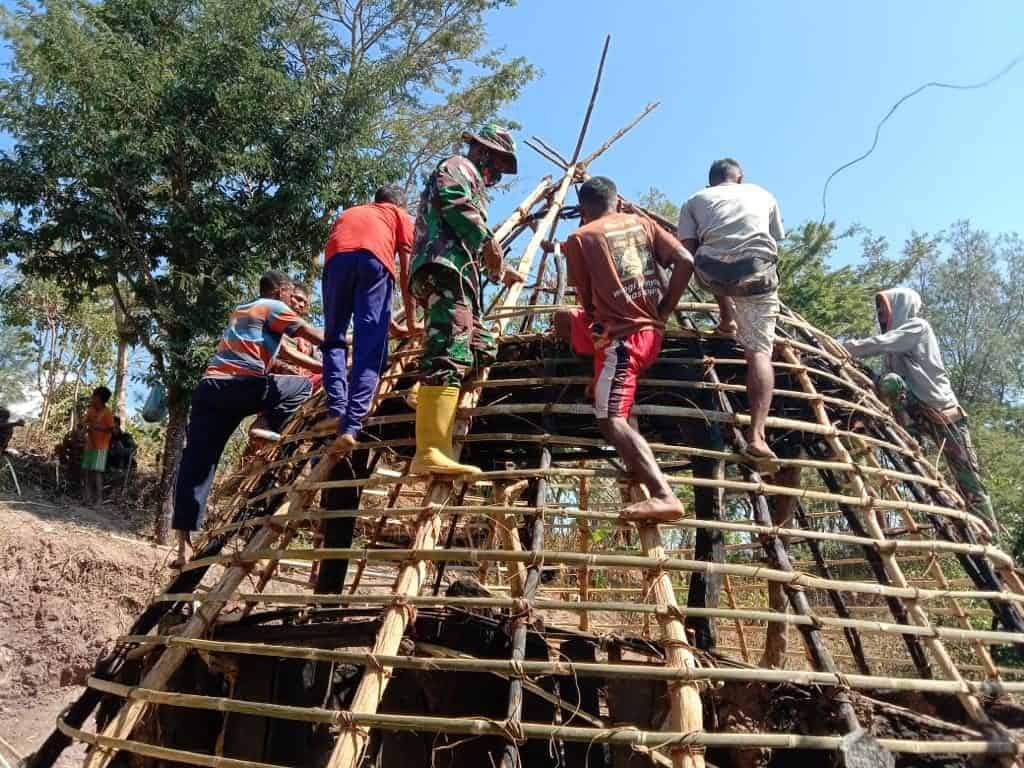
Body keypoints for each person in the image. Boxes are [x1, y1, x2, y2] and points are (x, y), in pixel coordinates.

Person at [548, 176, 694, 522]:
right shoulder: (644, 223)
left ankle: (663, 495)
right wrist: (664, 312)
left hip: (622, 342)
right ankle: (599, 378)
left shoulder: (580, 239)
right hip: (649, 332)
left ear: (583, 209)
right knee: (563, 320)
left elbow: (587, 302)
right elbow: (686, 259)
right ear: (616, 201)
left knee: (611, 420)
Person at [171, 270, 324, 567]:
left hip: (210, 389)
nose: (294, 302)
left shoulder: (244, 312)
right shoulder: (274, 308)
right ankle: (276, 428)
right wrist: (350, 343)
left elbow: (289, 357)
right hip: (243, 386)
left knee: (197, 465)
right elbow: (314, 335)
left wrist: (320, 363)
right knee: (302, 387)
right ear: (280, 292)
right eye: (292, 296)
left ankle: (183, 547)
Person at [408, 125, 523, 475]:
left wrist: (500, 271)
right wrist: (489, 242)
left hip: (459, 276)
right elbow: (456, 203)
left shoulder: (471, 176)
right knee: (448, 351)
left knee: (480, 345)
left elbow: (474, 245)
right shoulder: (459, 166)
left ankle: (421, 389)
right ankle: (430, 450)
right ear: (484, 153)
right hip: (444, 270)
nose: (496, 176)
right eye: (497, 167)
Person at [843, 288, 997, 531]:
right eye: (879, 309)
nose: (881, 314)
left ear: (900, 306)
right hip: (918, 413)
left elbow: (880, 343)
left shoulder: (917, 327)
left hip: (945, 416)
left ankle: (990, 536)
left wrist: (842, 347)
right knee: (886, 381)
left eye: (884, 307)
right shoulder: (893, 355)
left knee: (969, 482)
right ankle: (911, 437)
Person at [678, 158, 785, 463]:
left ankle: (727, 319)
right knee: (759, 354)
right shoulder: (763, 194)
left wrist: (664, 307)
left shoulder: (695, 200)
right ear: (740, 178)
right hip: (755, 273)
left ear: (710, 182)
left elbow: (686, 253)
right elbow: (773, 238)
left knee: (709, 255)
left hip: (711, 272)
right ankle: (758, 436)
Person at [320, 186, 417, 452]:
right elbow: (407, 272)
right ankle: (351, 426)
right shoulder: (399, 216)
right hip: (374, 262)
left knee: (334, 339)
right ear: (400, 204)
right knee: (369, 346)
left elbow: (351, 258)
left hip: (335, 263)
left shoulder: (350, 213)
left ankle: (336, 410)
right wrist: (412, 320)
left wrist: (390, 323)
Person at [270, 285, 324, 391]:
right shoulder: (270, 324)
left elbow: (319, 353)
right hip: (276, 382)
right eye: (298, 299)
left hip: (302, 381)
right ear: (284, 296)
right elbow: (285, 353)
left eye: (305, 303)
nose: (301, 305)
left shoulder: (305, 337)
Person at [81, 386, 115, 506]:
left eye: (94, 397)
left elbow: (112, 429)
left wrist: (98, 428)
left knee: (97, 473)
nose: (92, 399)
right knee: (87, 472)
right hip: (89, 446)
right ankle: (87, 498)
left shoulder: (107, 413)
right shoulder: (90, 410)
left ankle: (99, 500)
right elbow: (85, 423)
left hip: (101, 447)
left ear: (100, 399)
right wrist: (85, 428)